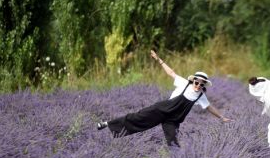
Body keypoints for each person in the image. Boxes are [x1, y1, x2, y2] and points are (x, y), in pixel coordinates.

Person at [97, 50, 231, 146]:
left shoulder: (201, 96)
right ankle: (107, 124)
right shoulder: (184, 83)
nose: (198, 85)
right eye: (197, 82)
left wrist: (222, 117)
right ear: (193, 81)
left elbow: (209, 107)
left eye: (202, 84)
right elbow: (171, 73)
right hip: (160, 110)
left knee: (173, 142)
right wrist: (158, 59)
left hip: (173, 120)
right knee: (136, 118)